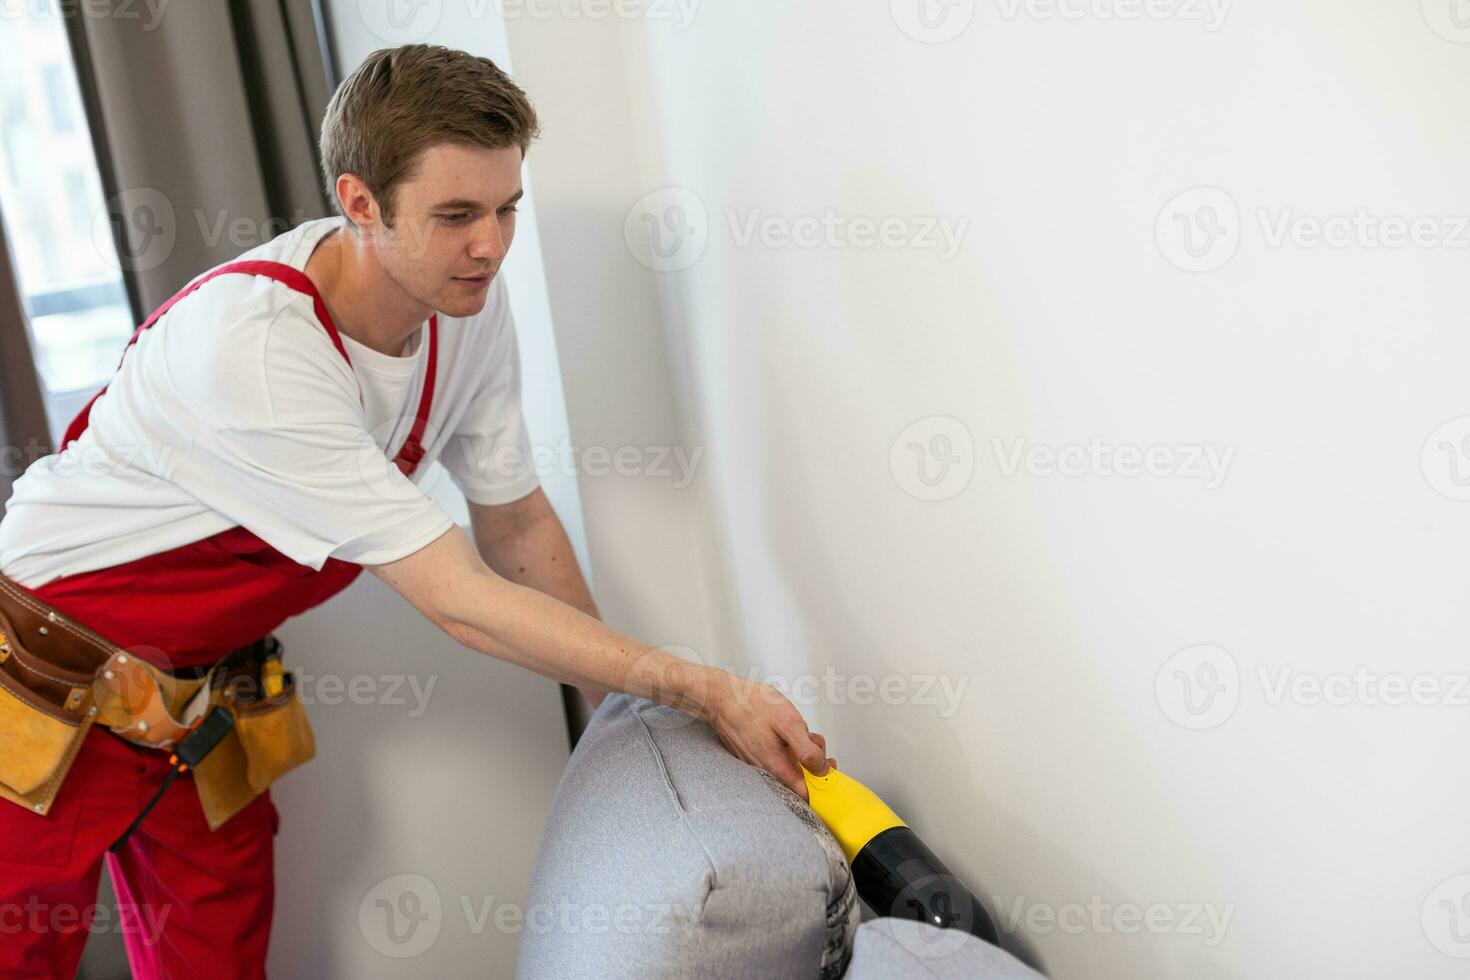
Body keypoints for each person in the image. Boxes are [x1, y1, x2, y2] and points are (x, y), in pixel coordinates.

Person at [0, 44, 832, 978]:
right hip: (38, 687)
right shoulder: (257, 351)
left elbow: (514, 526)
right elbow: (457, 598)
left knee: (216, 961)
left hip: (193, 700)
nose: (493, 244)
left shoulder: (464, 305)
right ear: (360, 203)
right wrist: (700, 687)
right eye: (457, 215)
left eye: (507, 207)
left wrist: (625, 722)